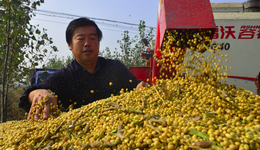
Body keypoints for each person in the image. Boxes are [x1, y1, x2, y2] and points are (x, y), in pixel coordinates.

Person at [19, 17, 148, 120]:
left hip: (120, 128)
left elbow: (135, 86)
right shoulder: (64, 77)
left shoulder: (115, 68)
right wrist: (37, 93)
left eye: (92, 38)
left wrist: (141, 86)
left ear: (98, 43)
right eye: (81, 39)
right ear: (70, 45)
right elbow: (28, 95)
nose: (87, 43)